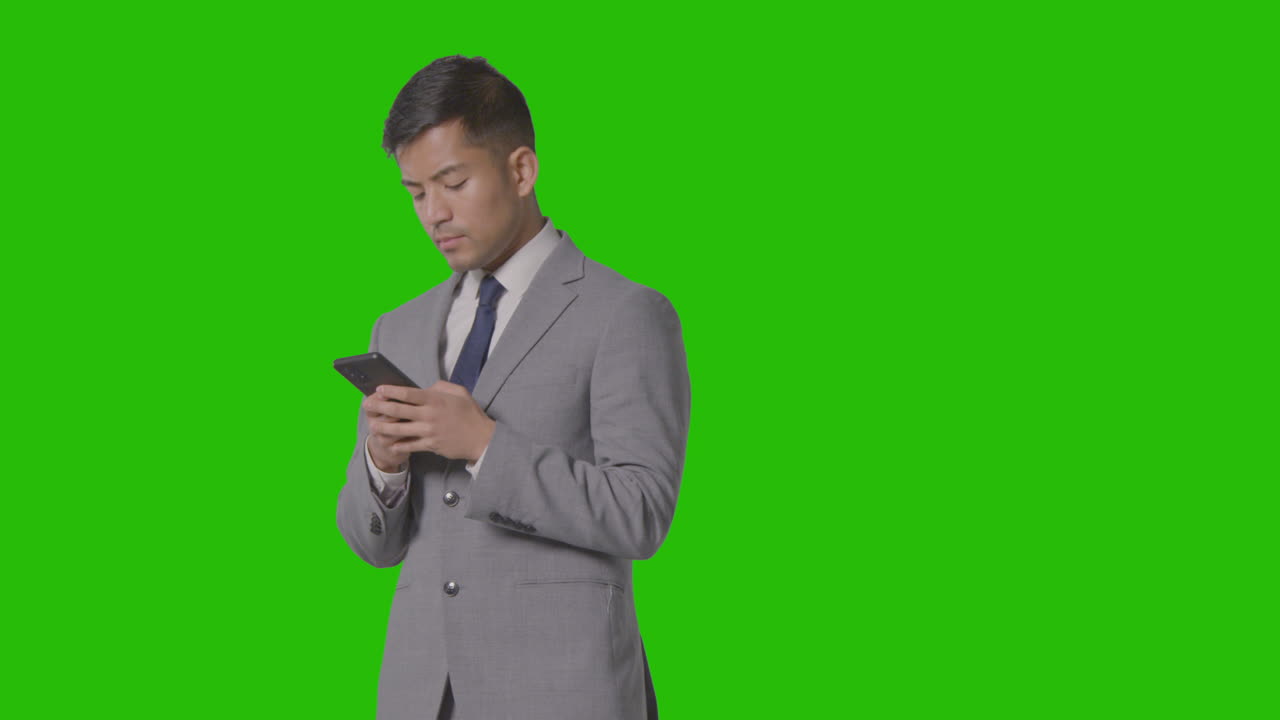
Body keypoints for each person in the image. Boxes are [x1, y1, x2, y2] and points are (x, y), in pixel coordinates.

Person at [335, 56, 691, 720]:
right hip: (421, 696)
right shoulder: (399, 327)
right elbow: (373, 544)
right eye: (415, 192)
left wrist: (485, 446)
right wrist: (381, 467)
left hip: (563, 693)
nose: (433, 213)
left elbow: (642, 512)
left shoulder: (625, 314)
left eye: (453, 182)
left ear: (521, 170)